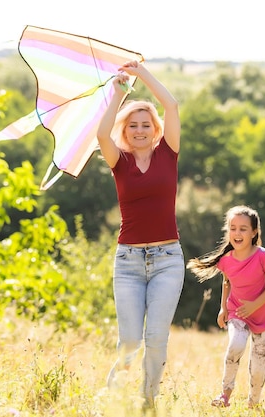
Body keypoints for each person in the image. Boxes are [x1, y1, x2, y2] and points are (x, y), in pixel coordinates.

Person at [96, 60, 184, 409]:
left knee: (156, 337)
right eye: (133, 125)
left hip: (167, 260)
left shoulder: (169, 153)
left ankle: (149, 401)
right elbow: (102, 134)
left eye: (146, 124)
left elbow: (172, 105)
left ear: (155, 128)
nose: (140, 130)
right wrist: (119, 92)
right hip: (129, 262)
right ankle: (114, 392)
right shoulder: (120, 161)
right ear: (126, 130)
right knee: (131, 341)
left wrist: (142, 75)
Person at [187, 205, 265, 409]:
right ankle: (225, 395)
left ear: (254, 232)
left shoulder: (264, 256)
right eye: (233, 228)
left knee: (258, 368)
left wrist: (255, 305)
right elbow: (227, 282)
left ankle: (253, 404)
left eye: (243, 229)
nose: (237, 233)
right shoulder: (226, 260)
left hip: (263, 318)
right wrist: (223, 308)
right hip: (238, 312)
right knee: (235, 346)